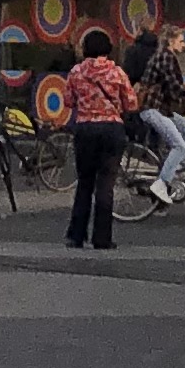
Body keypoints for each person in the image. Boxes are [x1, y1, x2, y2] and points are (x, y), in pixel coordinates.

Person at [59, 28, 136, 251]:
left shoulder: (76, 72)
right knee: (106, 184)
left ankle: (76, 235)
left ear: (85, 49)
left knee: (84, 182)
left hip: (85, 129)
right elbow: (131, 103)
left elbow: (67, 101)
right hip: (111, 129)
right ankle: (102, 238)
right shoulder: (117, 73)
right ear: (108, 49)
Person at [123, 32, 185, 204]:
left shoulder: (166, 57)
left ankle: (177, 169)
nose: (184, 44)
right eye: (181, 41)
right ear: (171, 41)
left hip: (162, 109)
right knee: (179, 145)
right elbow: (174, 86)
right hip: (152, 110)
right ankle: (162, 183)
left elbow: (169, 89)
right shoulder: (165, 57)